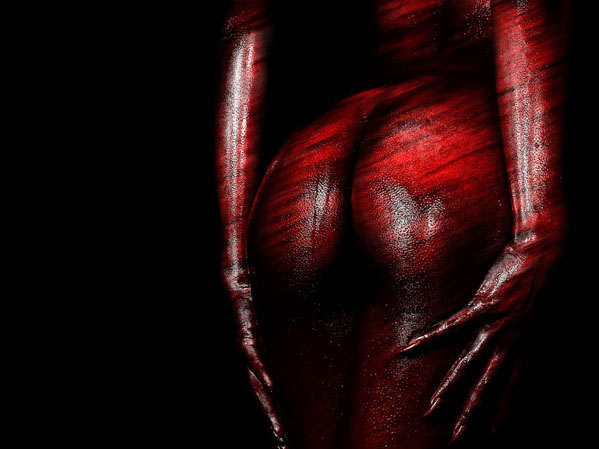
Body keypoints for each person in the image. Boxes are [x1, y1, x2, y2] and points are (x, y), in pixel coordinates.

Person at [215, 1, 569, 448]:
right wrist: (536, 227)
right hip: (445, 148)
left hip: (309, 166)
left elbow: (244, 20)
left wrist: (236, 265)